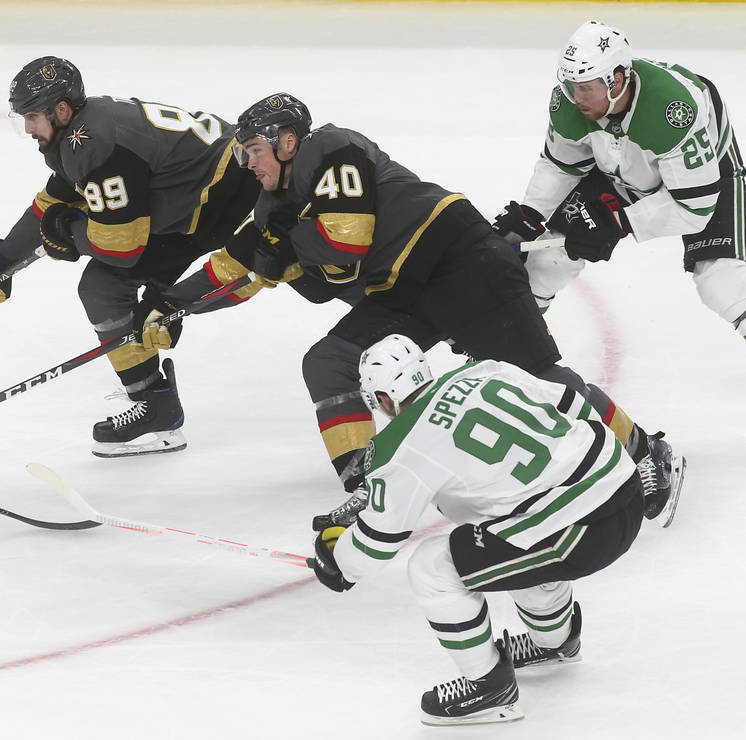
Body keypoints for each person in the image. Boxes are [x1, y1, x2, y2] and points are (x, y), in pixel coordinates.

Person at [147, 92, 681, 527]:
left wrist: (284, 258)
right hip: (402, 290)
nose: (248, 161)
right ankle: (371, 486)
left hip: (459, 258)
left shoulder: (331, 149)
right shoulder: (273, 204)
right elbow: (237, 268)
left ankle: (646, 449)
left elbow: (346, 246)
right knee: (327, 363)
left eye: (255, 149)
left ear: (288, 142)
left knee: (536, 380)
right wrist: (175, 304)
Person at [308, 334, 645, 726]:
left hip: (580, 533)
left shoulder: (400, 448)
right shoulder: (486, 370)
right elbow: (572, 401)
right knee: (508, 534)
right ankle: (555, 642)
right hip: (624, 484)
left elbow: (373, 549)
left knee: (433, 567)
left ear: (382, 399)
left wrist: (338, 559)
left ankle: (490, 689)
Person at [0, 56, 260, 457]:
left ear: (60, 109)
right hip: (199, 199)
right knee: (103, 285)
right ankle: (157, 409)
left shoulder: (94, 142)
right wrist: (1, 258)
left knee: (105, 284)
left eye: (32, 116)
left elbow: (121, 246)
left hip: (233, 200)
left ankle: (157, 406)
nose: (28, 128)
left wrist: (67, 233)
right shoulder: (82, 130)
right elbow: (56, 200)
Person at [494, 20, 745, 335]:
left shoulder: (672, 111)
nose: (577, 97)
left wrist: (619, 221)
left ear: (616, 80)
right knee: (546, 260)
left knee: (722, 282)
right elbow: (562, 165)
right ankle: (508, 346)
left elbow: (694, 208)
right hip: (619, 166)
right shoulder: (571, 104)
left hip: (703, 174)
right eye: (572, 85)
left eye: (586, 87)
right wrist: (529, 214)